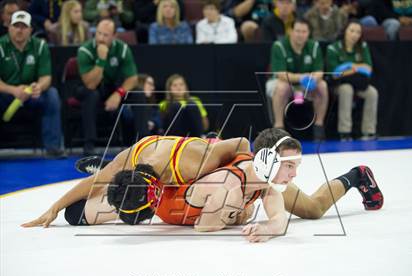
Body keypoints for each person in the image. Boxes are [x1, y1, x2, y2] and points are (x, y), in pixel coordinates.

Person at [21, 135, 251, 227]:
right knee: (74, 215)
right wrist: (53, 209)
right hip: (160, 178)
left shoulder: (197, 161)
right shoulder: (129, 159)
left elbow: (242, 143)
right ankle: (108, 174)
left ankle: (108, 175)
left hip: (193, 172)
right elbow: (93, 182)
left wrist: (240, 193)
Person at [0, 10, 64, 158]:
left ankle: (53, 148)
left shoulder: (40, 46)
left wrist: (39, 87)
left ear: (30, 30)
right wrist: (13, 90)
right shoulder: (1, 46)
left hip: (32, 95)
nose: (19, 30)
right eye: (16, 26)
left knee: (52, 94)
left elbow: (46, 77)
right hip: (6, 95)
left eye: (23, 27)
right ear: (9, 27)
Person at [76, 18, 138, 155]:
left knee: (137, 92)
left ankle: (142, 140)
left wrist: (118, 94)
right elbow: (90, 84)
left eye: (105, 35)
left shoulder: (122, 49)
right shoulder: (85, 50)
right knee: (91, 94)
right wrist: (101, 60)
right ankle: (89, 144)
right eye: (98, 33)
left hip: (112, 86)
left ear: (114, 36)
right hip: (90, 88)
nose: (101, 38)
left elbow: (133, 78)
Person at [265, 18, 328, 140]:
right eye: (297, 31)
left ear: (309, 33)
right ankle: (279, 127)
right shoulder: (279, 46)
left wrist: (313, 79)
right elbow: (280, 74)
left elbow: (319, 72)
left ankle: (319, 127)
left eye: (304, 31)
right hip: (282, 82)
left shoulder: (314, 46)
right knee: (282, 87)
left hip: (305, 84)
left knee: (322, 85)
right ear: (291, 31)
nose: (300, 35)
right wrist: (302, 77)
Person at [326, 20, 378, 141]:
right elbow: (334, 74)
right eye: (352, 31)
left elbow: (368, 69)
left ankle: (369, 131)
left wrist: (351, 67)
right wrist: (356, 69)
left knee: (372, 93)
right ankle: (345, 132)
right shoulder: (333, 48)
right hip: (339, 85)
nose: (355, 35)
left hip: (358, 83)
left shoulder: (363, 46)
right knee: (346, 89)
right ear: (345, 31)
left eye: (358, 32)